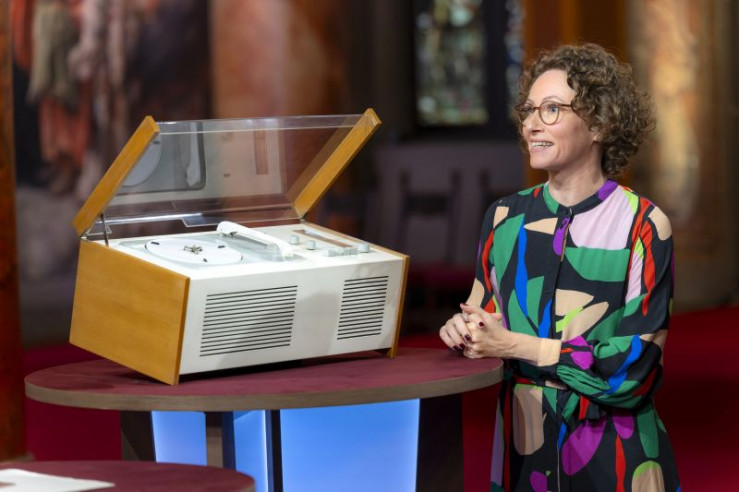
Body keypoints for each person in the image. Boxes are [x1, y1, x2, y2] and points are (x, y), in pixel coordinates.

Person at [439, 43, 680, 491]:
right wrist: (462, 331)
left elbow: (633, 370)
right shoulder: (504, 218)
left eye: (551, 109)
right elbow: (482, 319)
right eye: (528, 110)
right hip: (524, 446)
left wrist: (517, 345)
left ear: (600, 123)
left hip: (616, 456)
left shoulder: (643, 225)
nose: (531, 124)